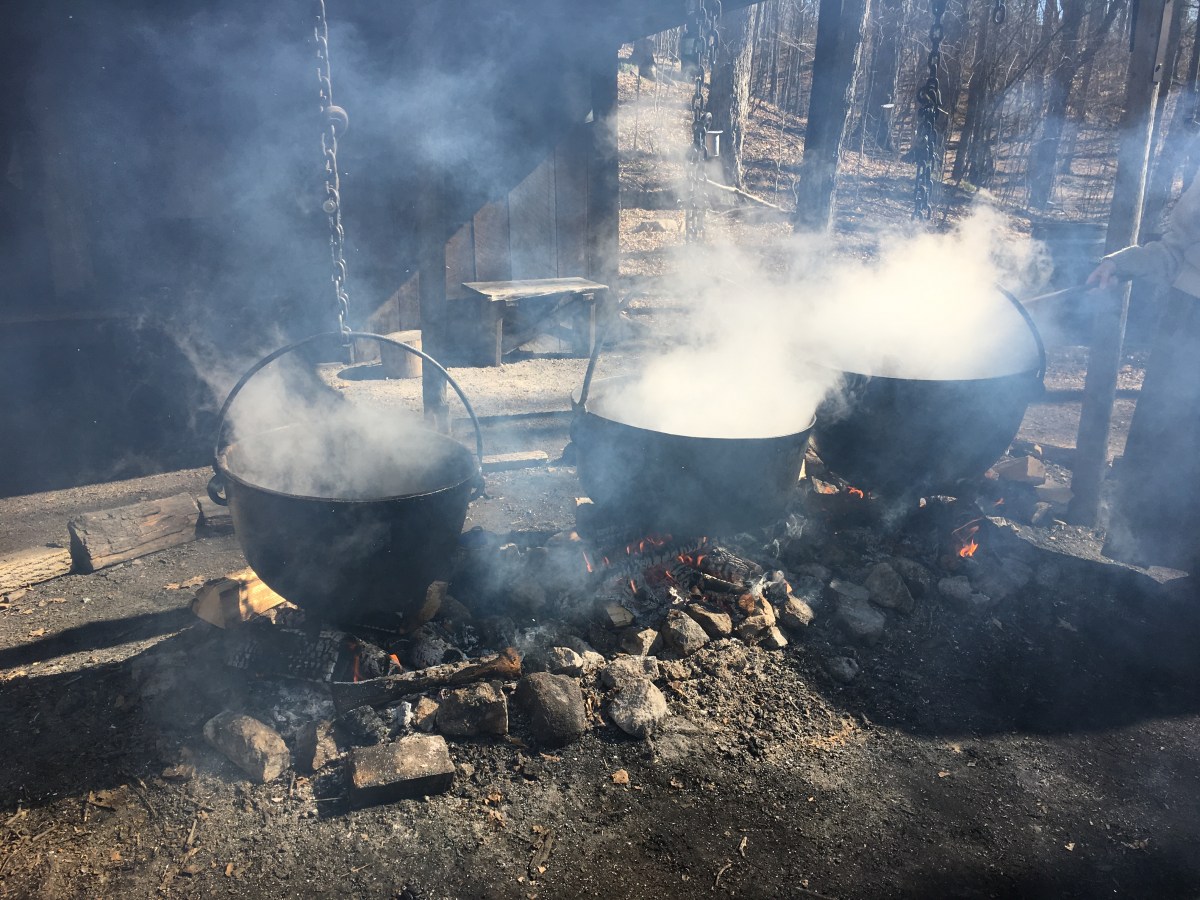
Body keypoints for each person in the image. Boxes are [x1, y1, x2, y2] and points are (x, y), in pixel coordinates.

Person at [1087, 175, 1200, 571]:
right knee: (1172, 445)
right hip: (1190, 325)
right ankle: (1154, 557)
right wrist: (1122, 263)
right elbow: (1175, 251)